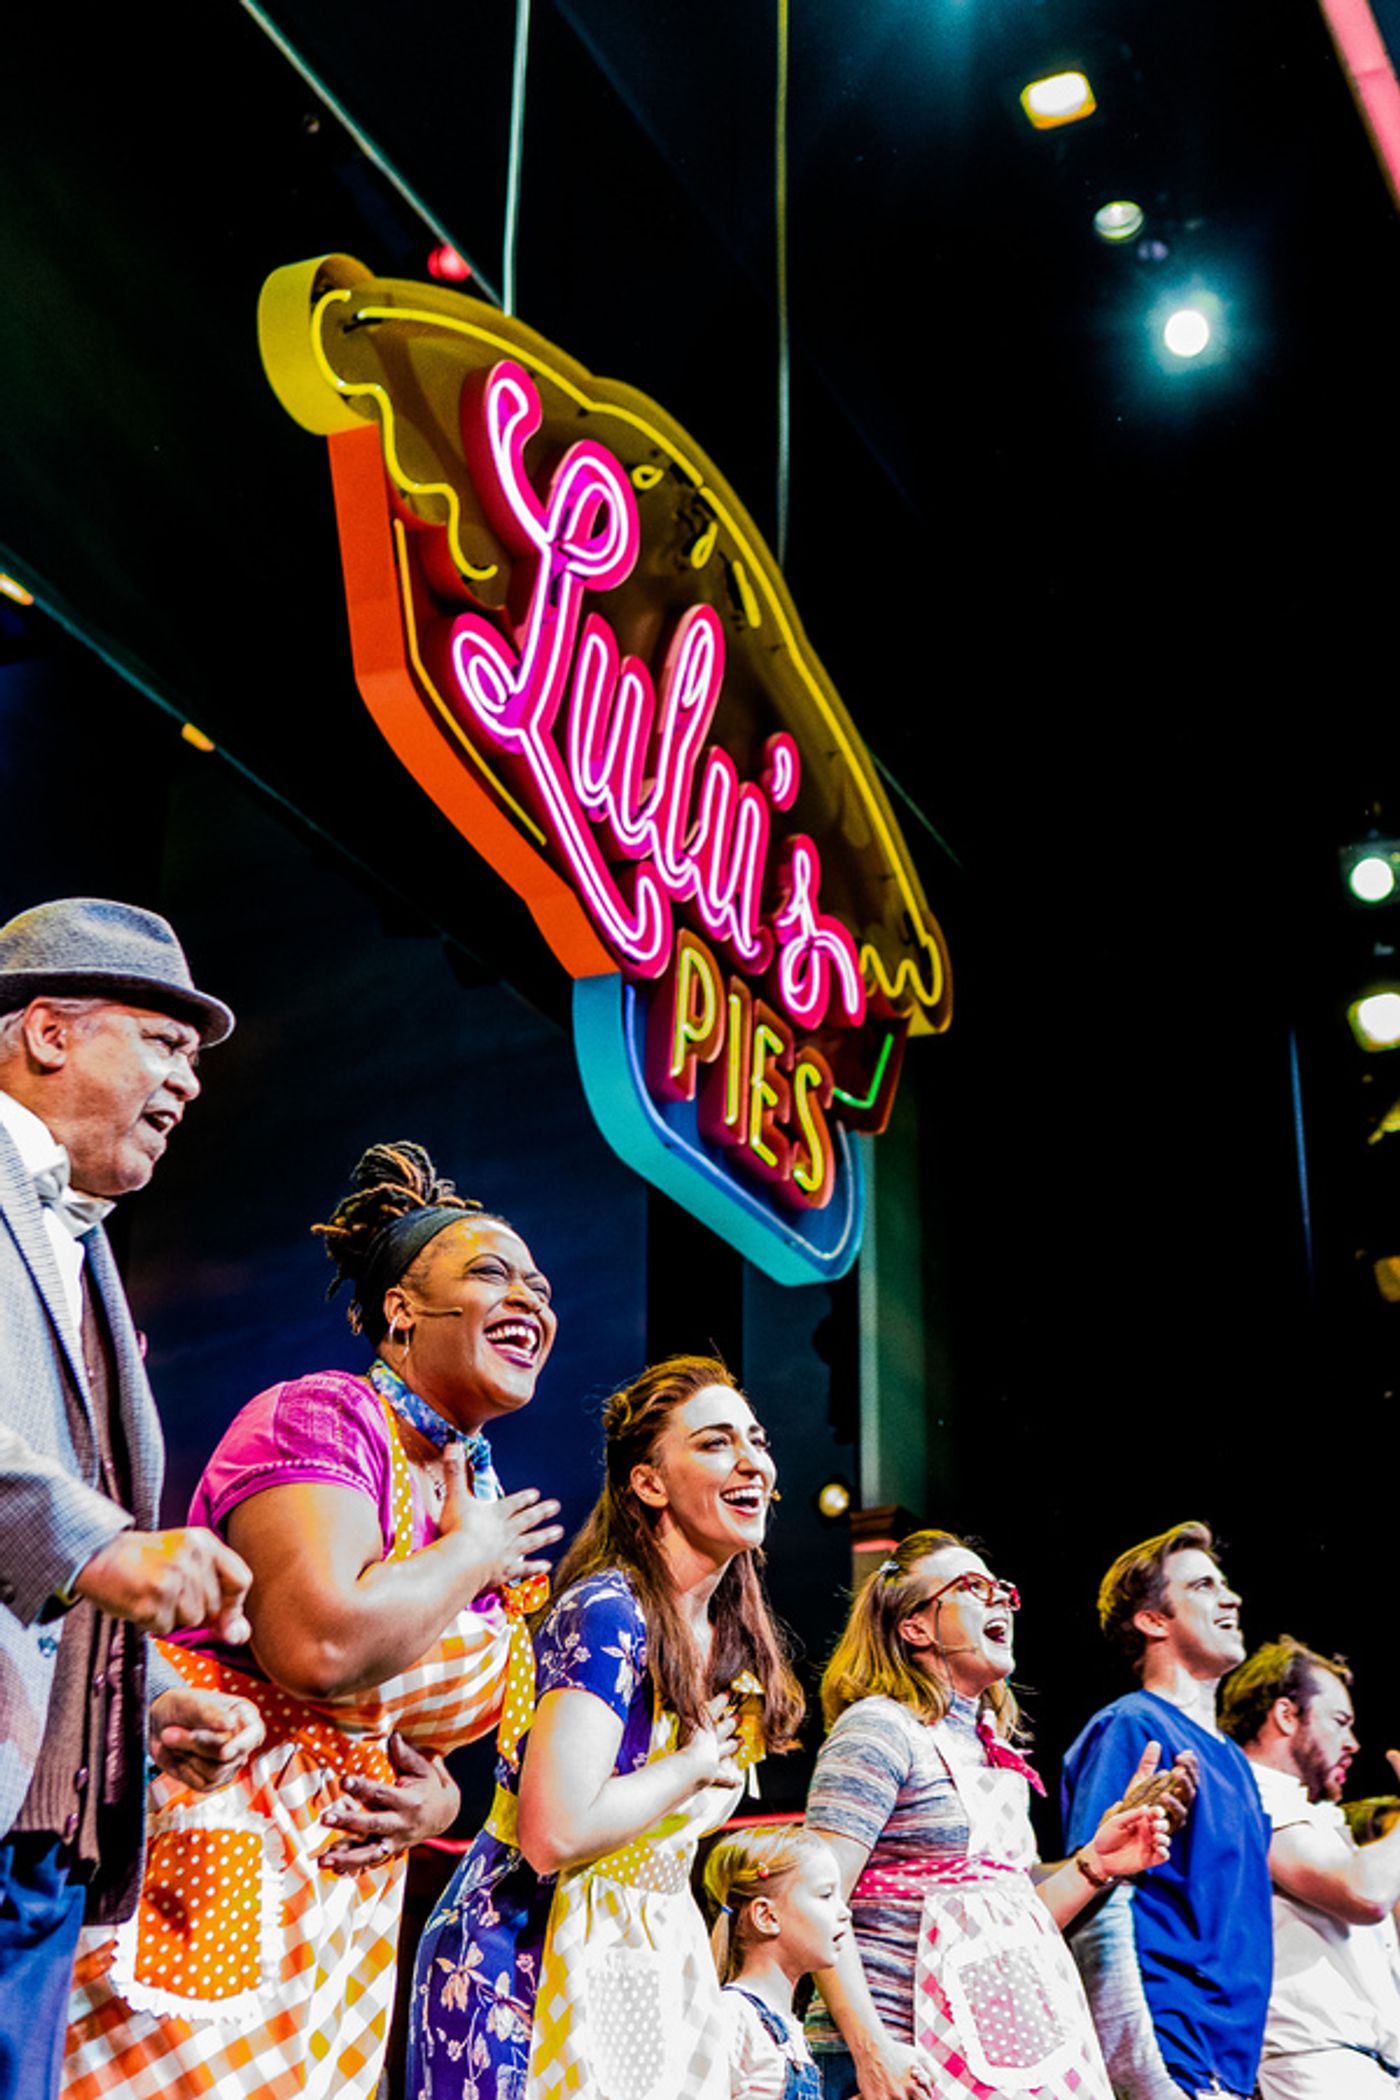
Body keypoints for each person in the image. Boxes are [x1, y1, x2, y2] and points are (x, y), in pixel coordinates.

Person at [63, 1139, 564, 2100]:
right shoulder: (322, 1419)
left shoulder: (469, 1489)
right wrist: (471, 1555)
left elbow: (434, 1722)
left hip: (343, 1908)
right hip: (223, 1854)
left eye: (540, 1287)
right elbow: (320, 1647)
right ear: (401, 1312)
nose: (531, 1301)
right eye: (493, 1274)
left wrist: (441, 1803)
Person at [0, 896, 264, 2100]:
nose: (189, 1083)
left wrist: (146, 1696)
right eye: (165, 1044)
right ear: (50, 1031)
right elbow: (73, 1524)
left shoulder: (84, 1240)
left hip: (45, 1845)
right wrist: (104, 1544)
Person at [409, 1353, 805, 2100]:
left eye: (755, 1439)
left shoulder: (731, 1640)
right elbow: (552, 1835)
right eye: (715, 1442)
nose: (751, 1458)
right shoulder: (608, 1611)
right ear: (647, 1482)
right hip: (524, 1954)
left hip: (652, 1948)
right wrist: (687, 1767)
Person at [804, 1527, 1175, 2100]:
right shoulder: (878, 1728)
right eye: (974, 1587)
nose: (1000, 1598)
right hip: (898, 2057)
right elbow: (814, 1897)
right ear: (916, 1625)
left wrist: (1094, 1866)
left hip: (982, 2049)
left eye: (1002, 1588)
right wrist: (872, 2049)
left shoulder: (990, 1750)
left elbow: (1004, 1931)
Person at [1060, 1519, 1272, 2100]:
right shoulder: (1135, 1726)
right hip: (1172, 2046)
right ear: (1153, 1620)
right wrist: (1141, 2069)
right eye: (1202, 1586)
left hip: (1230, 2063)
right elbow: (1099, 1903)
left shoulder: (1231, 1758)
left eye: (1223, 1583)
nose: (1230, 1597)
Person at [1220, 1635, 1400, 2098]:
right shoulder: (1252, 1793)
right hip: (1318, 2065)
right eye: (1339, 1722)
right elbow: (1365, 1894)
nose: (1353, 1743)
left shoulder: (1309, 1811)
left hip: (1359, 2065)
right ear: (1285, 1714)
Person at [705, 1823, 850, 2100]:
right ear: (766, 1916)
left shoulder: (791, 2031)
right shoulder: (733, 2015)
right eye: (826, 1895)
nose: (845, 1912)